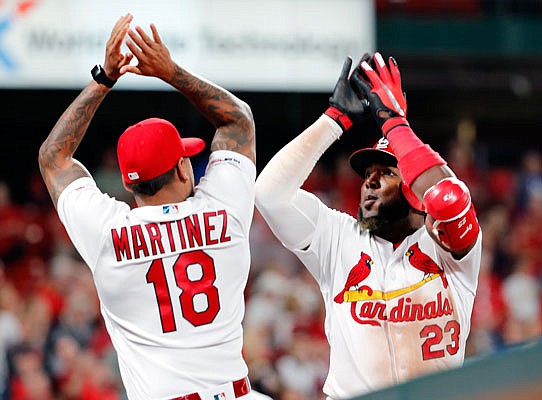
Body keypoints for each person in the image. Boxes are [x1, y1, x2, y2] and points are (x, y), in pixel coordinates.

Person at [38, 13, 264, 400]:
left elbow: (54, 158)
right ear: (181, 167)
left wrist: (104, 77)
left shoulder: (108, 235)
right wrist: (170, 71)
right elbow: (237, 123)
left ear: (129, 183)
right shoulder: (224, 209)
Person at [254, 52, 482, 399]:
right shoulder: (338, 237)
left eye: (386, 173)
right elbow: (269, 194)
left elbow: (447, 198)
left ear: (414, 188)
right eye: (367, 174)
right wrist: (335, 119)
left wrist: (394, 123)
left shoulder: (445, 245)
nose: (370, 182)